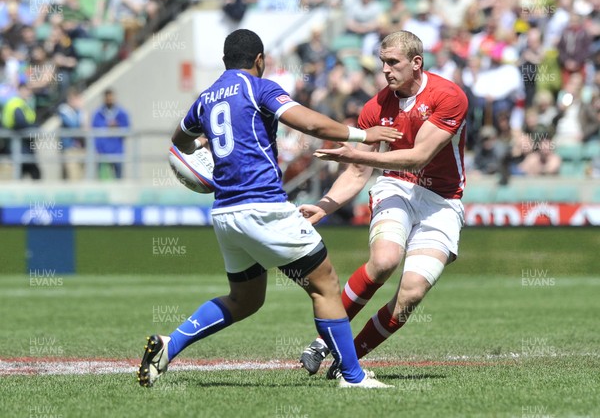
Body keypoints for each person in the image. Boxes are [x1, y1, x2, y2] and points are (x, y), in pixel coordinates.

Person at [137, 29, 400, 389]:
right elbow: (306, 121)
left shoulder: (207, 96)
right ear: (259, 60)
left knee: (245, 299)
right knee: (325, 284)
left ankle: (170, 344)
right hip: (262, 205)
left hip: (225, 215)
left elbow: (178, 140)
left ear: (225, 61)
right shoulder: (257, 87)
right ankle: (353, 378)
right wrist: (362, 135)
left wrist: (204, 145)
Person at [298, 30, 468, 379]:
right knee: (385, 260)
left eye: (394, 62)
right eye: (383, 63)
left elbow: (419, 157)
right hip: (397, 186)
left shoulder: (448, 96)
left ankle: (349, 360)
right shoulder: (375, 107)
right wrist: (326, 206)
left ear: (416, 63)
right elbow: (358, 173)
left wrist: (356, 151)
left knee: (411, 294)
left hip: (443, 201)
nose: (386, 70)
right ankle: (323, 341)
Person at [91, 88, 130, 179]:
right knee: (103, 181)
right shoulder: (98, 114)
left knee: (118, 180)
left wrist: (117, 126)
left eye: (111, 97)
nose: (109, 100)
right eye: (107, 98)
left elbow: (127, 129)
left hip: (117, 151)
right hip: (103, 152)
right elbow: (95, 131)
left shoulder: (121, 113)